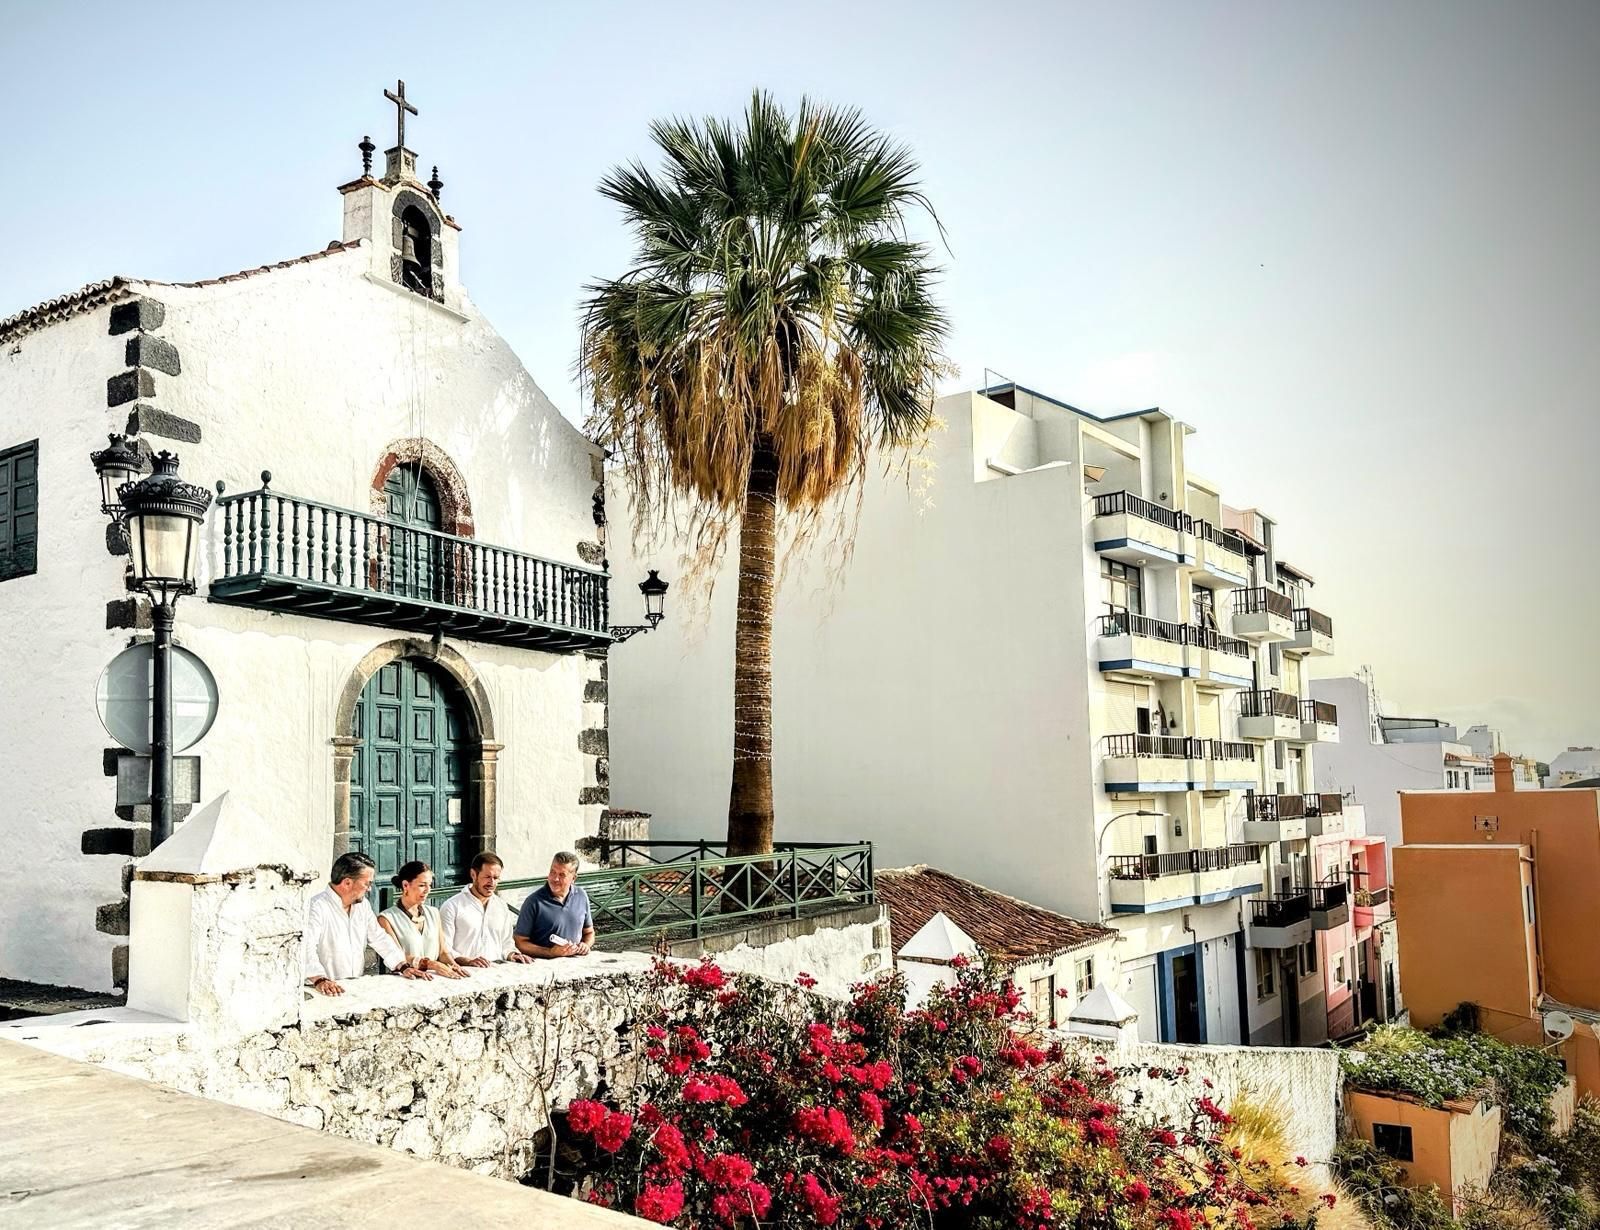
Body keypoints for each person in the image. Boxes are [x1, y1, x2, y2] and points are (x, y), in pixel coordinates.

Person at [303, 851, 431, 996]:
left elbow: (379, 937)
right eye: (367, 883)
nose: (370, 889)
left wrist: (402, 965)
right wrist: (320, 979)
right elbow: (305, 947)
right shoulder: (316, 907)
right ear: (347, 883)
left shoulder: (363, 906)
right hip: (320, 991)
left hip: (352, 988)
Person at [438, 851, 534, 967]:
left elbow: (506, 943)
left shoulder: (501, 906)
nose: (492, 883)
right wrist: (468, 961)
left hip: (497, 973)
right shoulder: (451, 906)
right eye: (487, 877)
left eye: (496, 878)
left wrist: (512, 954)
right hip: (465, 973)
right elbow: (444, 949)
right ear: (473, 874)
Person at [376, 861, 468, 979]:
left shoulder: (434, 913)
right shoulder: (386, 919)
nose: (427, 890)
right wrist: (431, 964)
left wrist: (454, 965)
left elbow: (443, 952)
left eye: (429, 885)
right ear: (405, 885)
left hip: (436, 980)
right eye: (422, 885)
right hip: (406, 981)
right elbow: (396, 955)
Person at [514, 851, 595, 959]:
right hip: (544, 968)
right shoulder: (533, 902)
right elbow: (519, 942)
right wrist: (550, 952)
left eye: (562, 875)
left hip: (575, 966)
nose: (555, 879)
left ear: (574, 878)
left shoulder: (581, 895)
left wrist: (586, 945)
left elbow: (589, 932)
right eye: (552, 872)